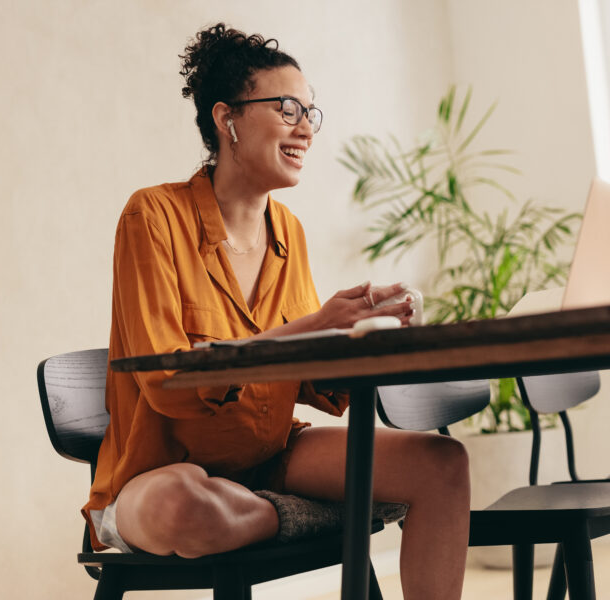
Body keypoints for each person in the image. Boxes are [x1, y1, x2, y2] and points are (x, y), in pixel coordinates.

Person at [82, 23, 470, 599]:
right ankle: (312, 513)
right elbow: (166, 381)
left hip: (270, 458)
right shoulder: (152, 216)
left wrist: (364, 330)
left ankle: (274, 508)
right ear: (227, 118)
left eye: (312, 112)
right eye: (288, 107)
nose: (306, 127)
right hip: (159, 470)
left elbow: (315, 382)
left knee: (441, 463)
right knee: (187, 505)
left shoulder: (287, 231)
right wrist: (314, 324)